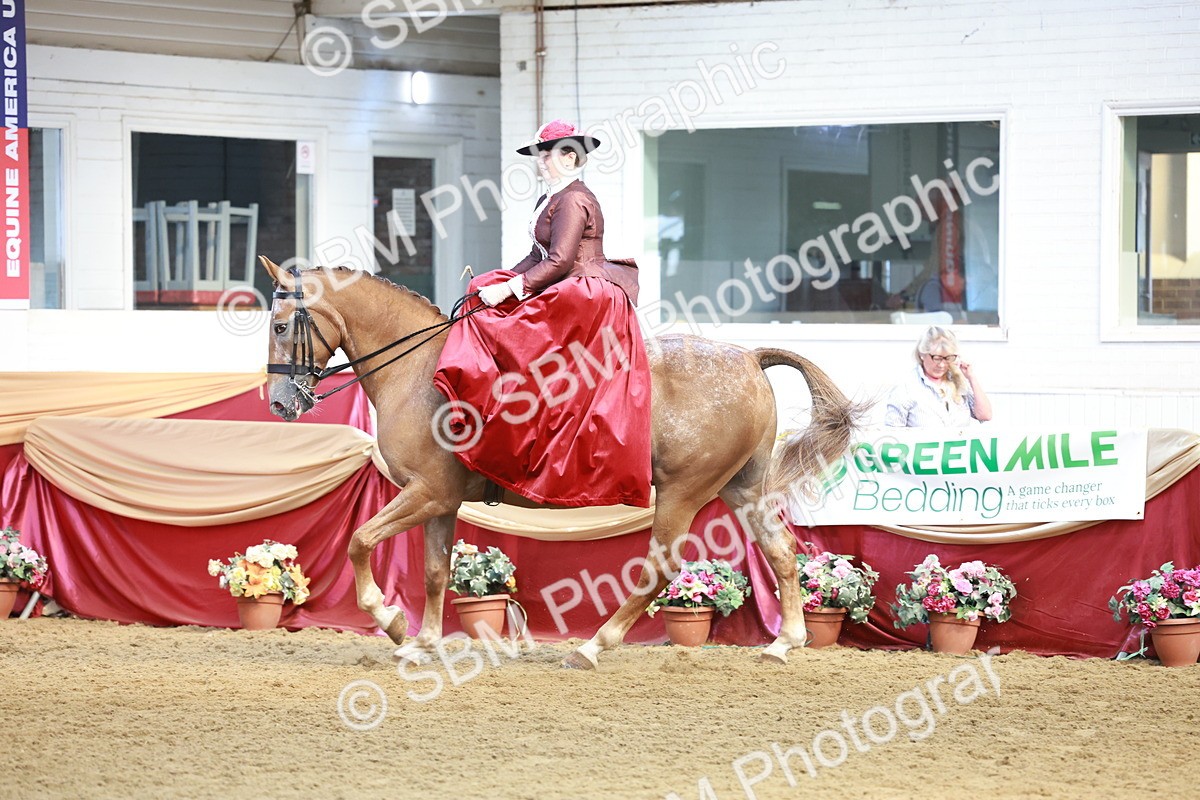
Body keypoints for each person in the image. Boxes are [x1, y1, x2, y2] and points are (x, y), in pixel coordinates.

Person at [432, 120, 652, 507]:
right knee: (477, 296)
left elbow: (561, 259)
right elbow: (536, 257)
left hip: (585, 292)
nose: (540, 162)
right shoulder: (550, 198)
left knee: (516, 331)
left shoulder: (573, 199)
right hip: (562, 280)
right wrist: (499, 282)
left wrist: (512, 289)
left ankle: (524, 423)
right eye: (540, 155)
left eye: (547, 154)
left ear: (570, 156)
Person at [884, 326, 992, 427]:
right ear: (922, 354)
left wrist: (971, 377)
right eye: (937, 358)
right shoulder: (905, 388)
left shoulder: (958, 380)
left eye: (948, 358)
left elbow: (985, 415)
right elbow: (893, 434)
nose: (941, 364)